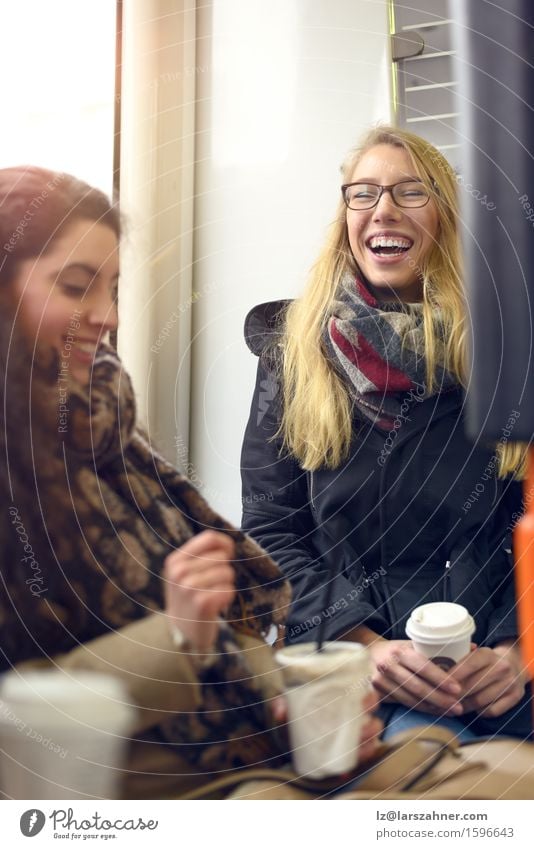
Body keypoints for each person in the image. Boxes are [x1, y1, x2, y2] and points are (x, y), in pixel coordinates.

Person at [0, 165, 381, 799]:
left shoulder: (106, 431)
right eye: (74, 288)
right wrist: (174, 636)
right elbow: (21, 734)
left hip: (253, 754)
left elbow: (227, 635)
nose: (106, 316)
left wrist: (288, 705)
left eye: (114, 290)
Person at [240, 125, 532, 742]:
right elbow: (270, 530)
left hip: (491, 660)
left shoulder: (508, 351)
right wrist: (359, 643)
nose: (384, 210)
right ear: (345, 215)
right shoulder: (293, 354)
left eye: (410, 193)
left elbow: (524, 519)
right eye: (363, 193)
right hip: (349, 664)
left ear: (446, 219)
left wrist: (516, 650)